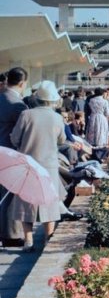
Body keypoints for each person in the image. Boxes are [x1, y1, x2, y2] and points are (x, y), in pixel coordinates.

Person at [10, 81, 66, 252]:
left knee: (26, 202)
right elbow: (61, 140)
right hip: (49, 166)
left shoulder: (26, 115)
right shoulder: (57, 117)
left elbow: (15, 138)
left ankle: (28, 240)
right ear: (53, 100)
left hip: (28, 165)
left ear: (37, 98)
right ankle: (48, 238)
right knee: (49, 202)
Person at [0, 67, 28, 247]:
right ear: (22, 83)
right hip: (9, 153)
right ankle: (9, 235)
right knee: (9, 194)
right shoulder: (18, 106)